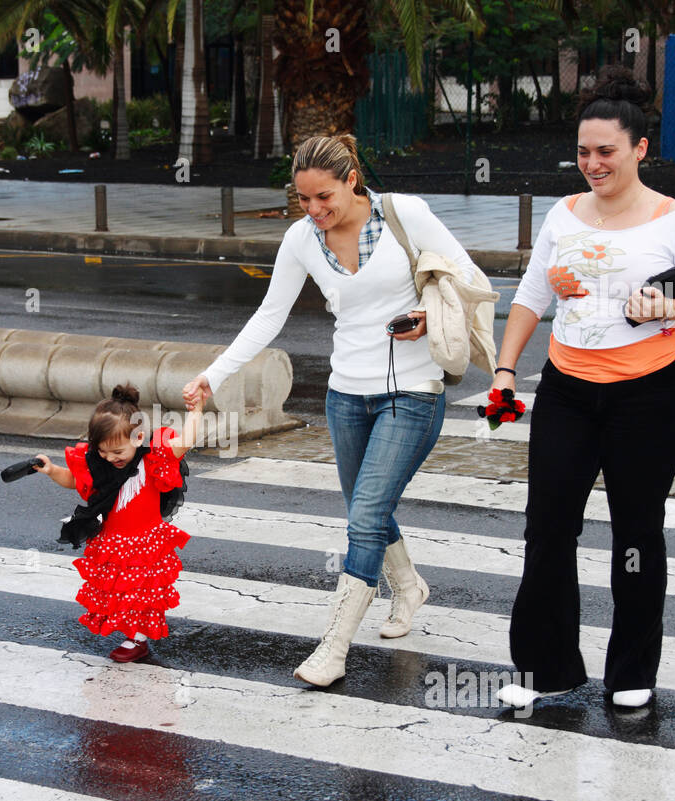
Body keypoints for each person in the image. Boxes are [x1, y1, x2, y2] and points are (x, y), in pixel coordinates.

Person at [183, 134, 478, 687]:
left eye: (325, 198)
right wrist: (214, 374)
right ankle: (409, 586)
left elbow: (466, 277)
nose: (315, 211)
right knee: (370, 506)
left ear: (351, 180)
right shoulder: (301, 239)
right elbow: (270, 315)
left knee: (364, 515)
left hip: (413, 391)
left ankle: (335, 646)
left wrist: (422, 311)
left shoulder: (402, 214)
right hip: (346, 395)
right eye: (304, 200)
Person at [492, 65, 675, 711]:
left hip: (650, 398)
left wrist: (667, 308)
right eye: (582, 152)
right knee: (547, 528)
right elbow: (530, 296)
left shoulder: (672, 219)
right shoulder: (564, 215)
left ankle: (631, 671)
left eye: (605, 152)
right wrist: (506, 372)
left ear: (638, 149)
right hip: (567, 392)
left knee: (635, 534)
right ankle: (548, 668)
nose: (591, 164)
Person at [34, 384, 200, 663]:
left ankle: (138, 639)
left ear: (137, 437)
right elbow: (74, 480)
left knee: (143, 595)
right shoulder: (100, 466)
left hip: (145, 541)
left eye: (117, 452)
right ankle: (132, 634)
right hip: (114, 541)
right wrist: (51, 470)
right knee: (119, 593)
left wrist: (197, 411)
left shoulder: (153, 458)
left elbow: (185, 441)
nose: (111, 458)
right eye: (103, 452)